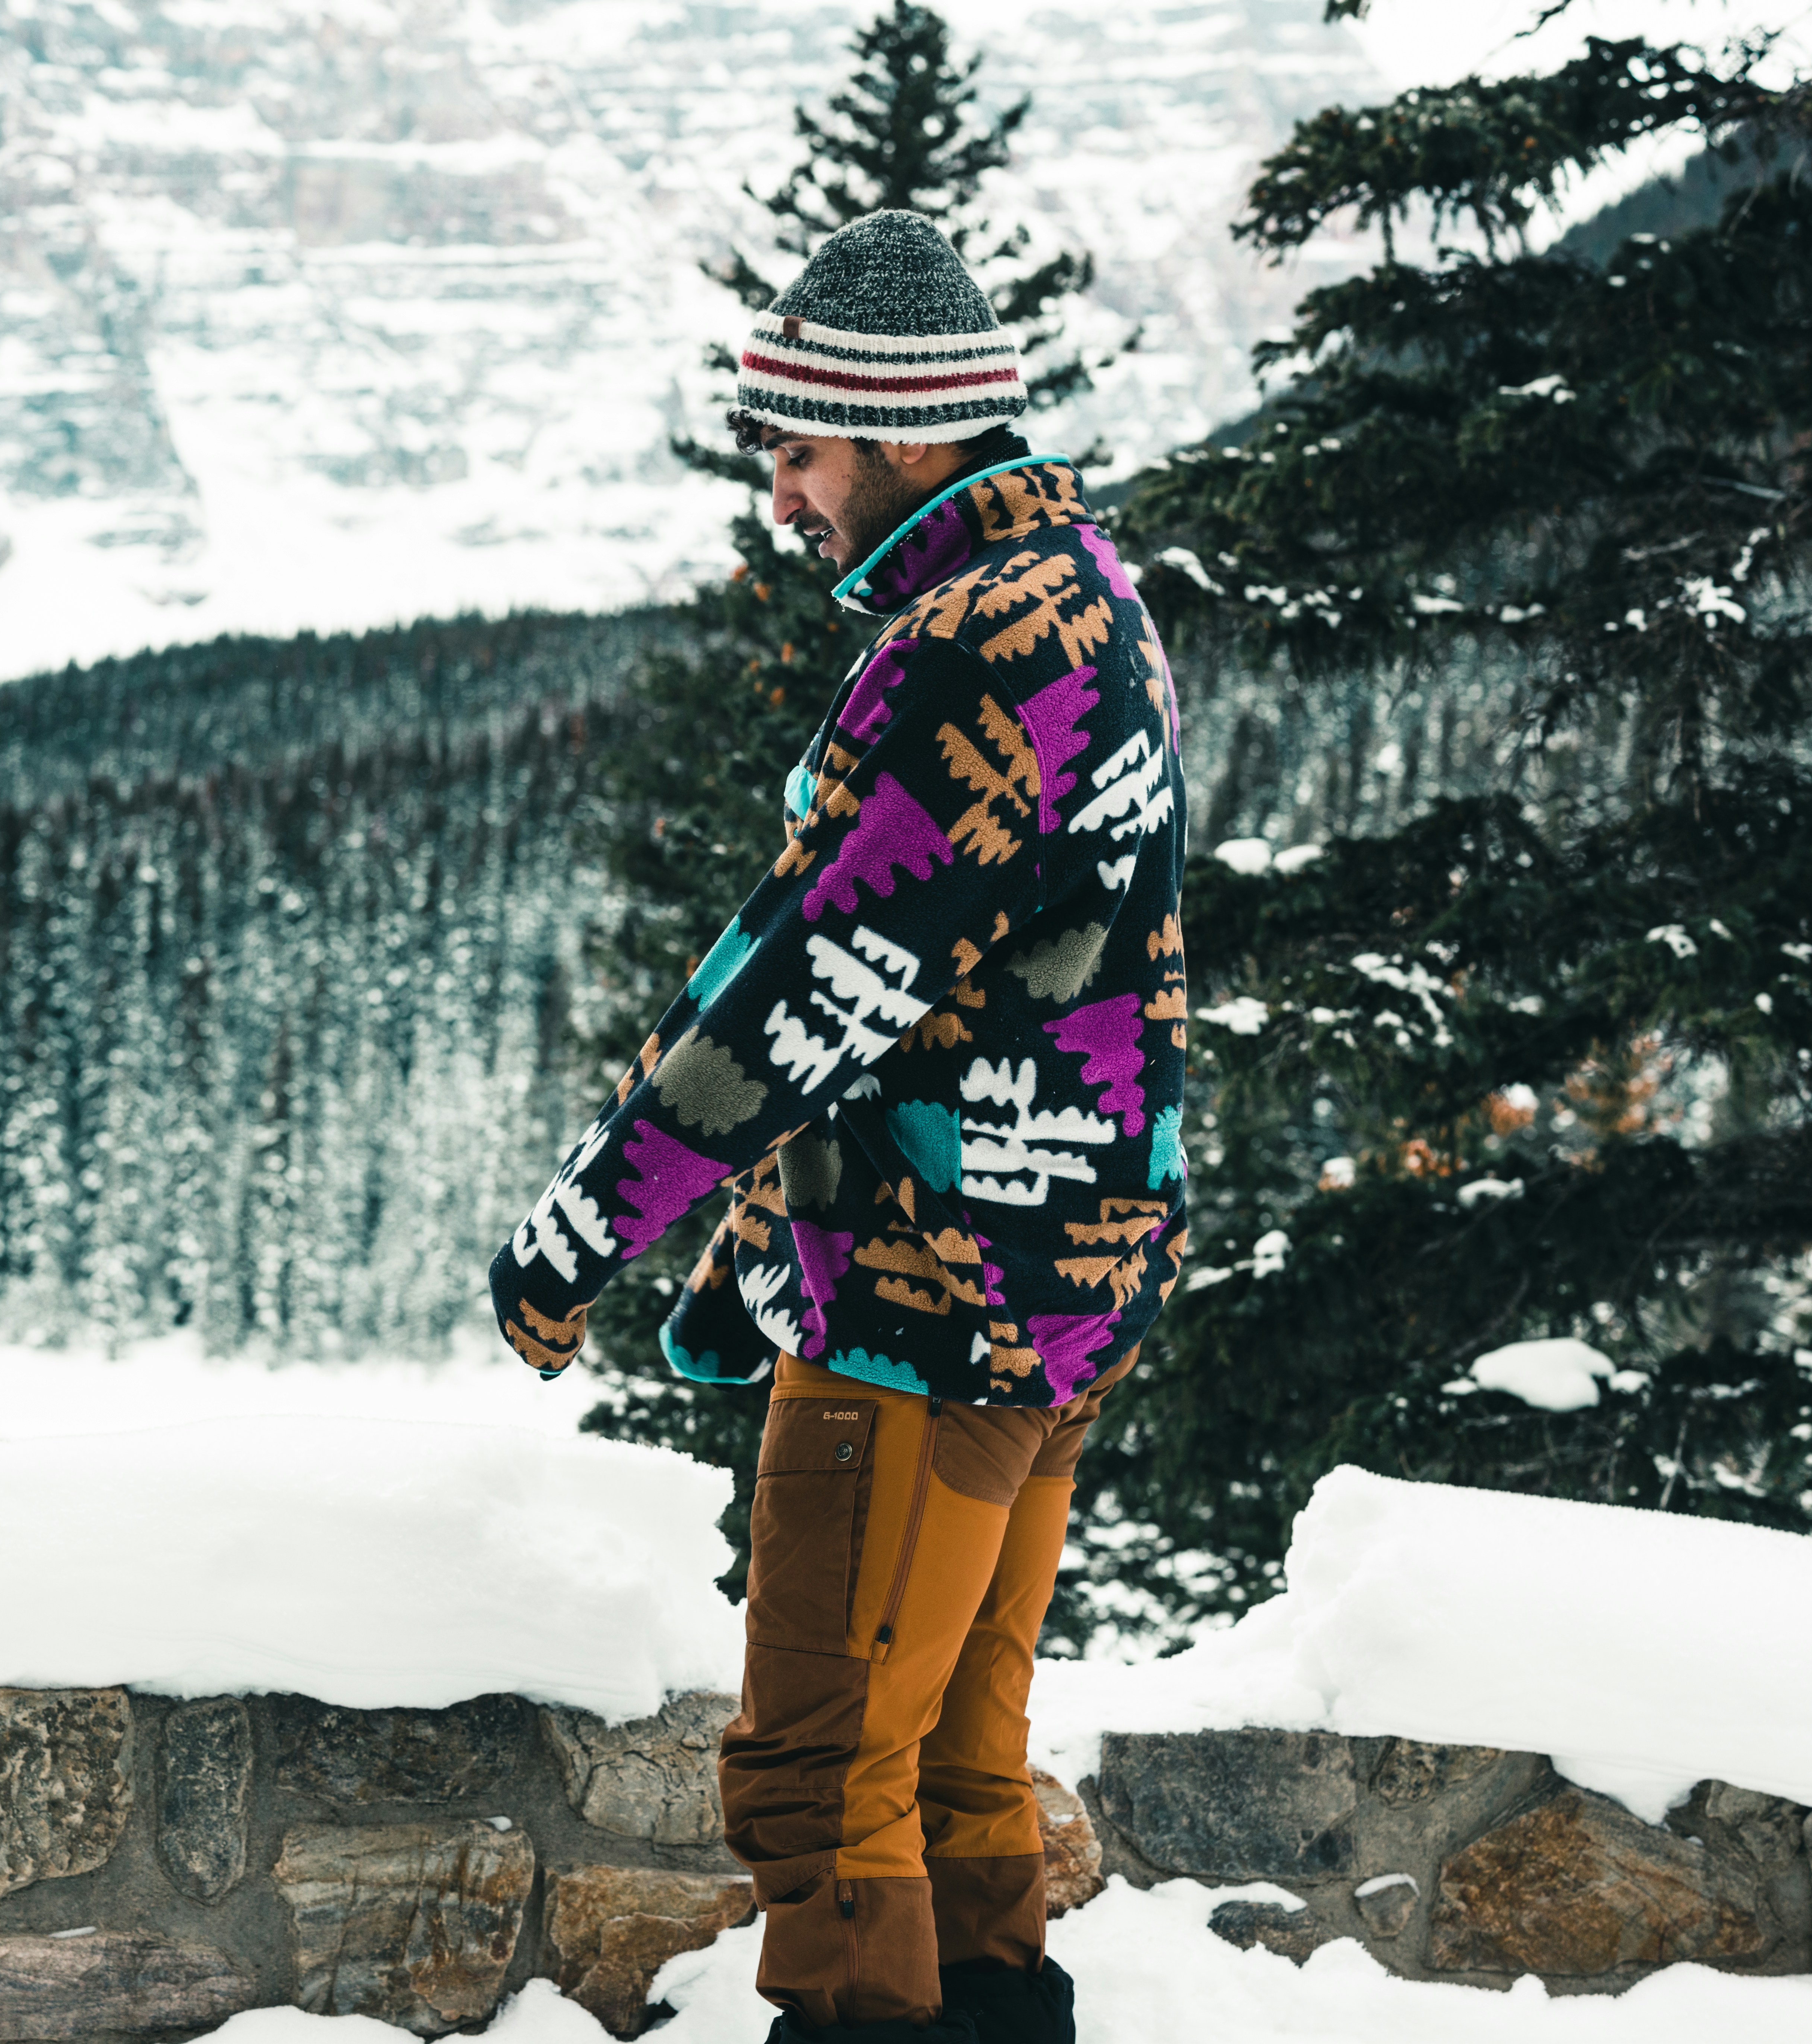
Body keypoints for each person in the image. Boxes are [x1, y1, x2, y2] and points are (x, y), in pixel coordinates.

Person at [489, 210, 1191, 2044]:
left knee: (814, 1780)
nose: (780, 496)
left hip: (927, 1290)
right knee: (952, 1776)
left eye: (795, 451)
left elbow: (808, 986)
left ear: (898, 430)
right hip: (1052, 1284)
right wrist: (750, 1246)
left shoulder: (973, 645)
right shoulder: (1087, 596)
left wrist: (591, 1220)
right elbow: (964, 989)